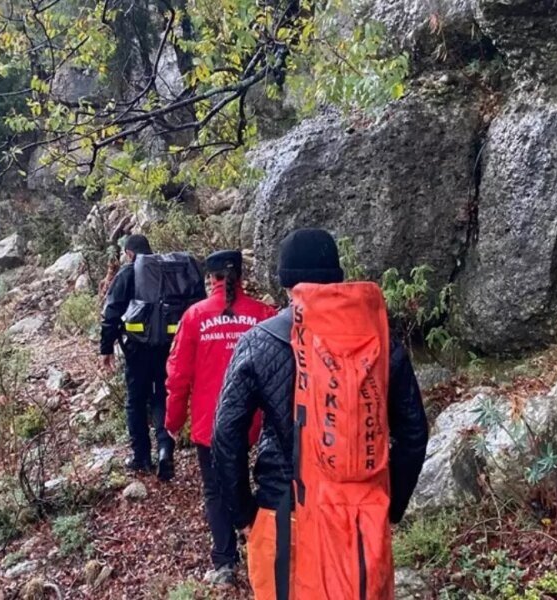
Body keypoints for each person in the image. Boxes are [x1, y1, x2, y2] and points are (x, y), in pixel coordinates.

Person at [212, 229, 429, 599]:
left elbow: (226, 434)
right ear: (338, 278)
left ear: (284, 281)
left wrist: (243, 513)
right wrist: (390, 508)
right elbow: (413, 433)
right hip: (359, 518)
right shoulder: (380, 340)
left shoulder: (258, 342)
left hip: (283, 514)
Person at [164, 250, 276, 587]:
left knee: (215, 490)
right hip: (254, 422)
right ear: (241, 276)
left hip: (209, 423)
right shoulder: (263, 314)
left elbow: (178, 376)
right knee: (252, 481)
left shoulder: (194, 316)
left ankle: (225, 562)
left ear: (210, 278)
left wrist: (172, 423)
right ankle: (257, 543)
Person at [100, 234, 174, 474]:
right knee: (162, 396)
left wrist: (106, 348)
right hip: (166, 346)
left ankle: (141, 457)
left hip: (136, 349)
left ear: (129, 253)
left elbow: (112, 312)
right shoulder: (166, 270)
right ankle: (165, 450)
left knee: (136, 401)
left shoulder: (127, 273)